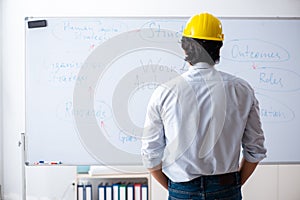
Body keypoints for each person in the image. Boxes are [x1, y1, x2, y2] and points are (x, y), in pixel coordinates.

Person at [141, 13, 267, 200]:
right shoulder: (241, 89)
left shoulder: (164, 92)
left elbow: (150, 155)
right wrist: (234, 185)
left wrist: (176, 189)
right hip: (227, 187)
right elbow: (255, 150)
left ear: (185, 48)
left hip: (181, 187)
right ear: (219, 47)